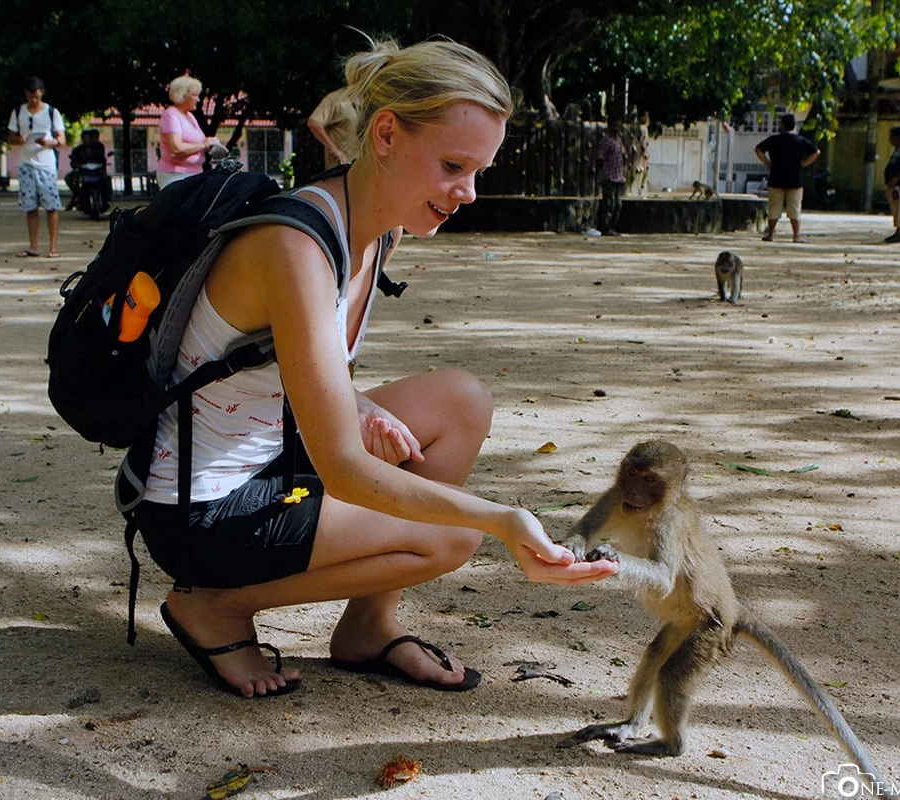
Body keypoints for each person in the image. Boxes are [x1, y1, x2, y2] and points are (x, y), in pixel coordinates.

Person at [131, 38, 617, 699]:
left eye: (479, 171)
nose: (468, 192)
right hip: (201, 507)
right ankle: (214, 607)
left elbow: (281, 368)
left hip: (267, 452)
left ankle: (368, 625)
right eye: (453, 164)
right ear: (386, 133)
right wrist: (501, 520)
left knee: (461, 400)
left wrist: (357, 405)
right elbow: (344, 471)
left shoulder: (374, 225)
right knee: (451, 540)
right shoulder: (298, 245)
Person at [5, 76, 65, 258]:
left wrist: (48, 142)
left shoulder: (52, 112)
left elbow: (62, 140)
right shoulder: (18, 112)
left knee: (51, 206)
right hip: (26, 164)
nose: (33, 100)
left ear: (42, 93)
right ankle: (33, 246)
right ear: (26, 94)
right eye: (30, 97)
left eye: (36, 97)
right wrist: (20, 139)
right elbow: (10, 137)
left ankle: (53, 247)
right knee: (30, 207)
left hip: (45, 164)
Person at [754, 113, 820, 243]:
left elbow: (758, 149)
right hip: (795, 179)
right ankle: (796, 235)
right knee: (795, 208)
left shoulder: (774, 140)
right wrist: (804, 164)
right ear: (794, 126)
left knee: (774, 208)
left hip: (776, 178)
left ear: (782, 125)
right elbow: (816, 152)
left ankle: (771, 234)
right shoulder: (800, 140)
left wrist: (767, 162)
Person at [157, 74, 222, 189]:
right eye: (194, 95)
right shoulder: (171, 115)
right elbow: (176, 149)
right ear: (181, 95)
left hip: (195, 173)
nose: (198, 99)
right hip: (176, 175)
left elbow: (196, 145)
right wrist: (203, 145)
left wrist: (209, 144)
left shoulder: (190, 116)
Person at [307, 87, 358, 168]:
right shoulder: (336, 98)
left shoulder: (371, 100)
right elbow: (314, 122)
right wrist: (335, 151)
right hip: (342, 168)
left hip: (363, 167)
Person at [66, 129, 111, 210]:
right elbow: (73, 161)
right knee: (71, 179)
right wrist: (77, 165)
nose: (86, 140)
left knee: (106, 179)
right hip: (83, 171)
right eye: (84, 138)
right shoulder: (78, 149)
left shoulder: (98, 147)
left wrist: (102, 165)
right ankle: (76, 197)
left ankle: (107, 198)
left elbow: (103, 159)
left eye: (88, 138)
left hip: (97, 171)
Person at [595, 117, 626, 235]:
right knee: (608, 203)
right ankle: (605, 227)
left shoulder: (619, 141)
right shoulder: (606, 141)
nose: (617, 128)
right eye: (615, 126)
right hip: (609, 177)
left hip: (619, 177)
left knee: (618, 204)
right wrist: (603, 172)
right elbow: (599, 158)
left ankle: (612, 226)